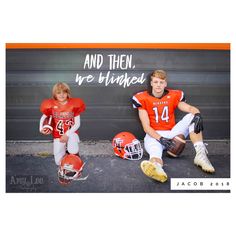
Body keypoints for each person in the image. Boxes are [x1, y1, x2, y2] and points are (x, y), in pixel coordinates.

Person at [131, 70, 215, 183]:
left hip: (172, 133)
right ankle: (157, 170)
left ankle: (201, 156)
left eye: (161, 82)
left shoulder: (174, 95)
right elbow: (146, 127)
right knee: (155, 156)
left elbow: (190, 109)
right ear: (151, 83)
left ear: (165, 83)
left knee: (192, 116)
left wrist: (198, 114)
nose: (158, 85)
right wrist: (160, 138)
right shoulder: (142, 98)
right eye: (155, 82)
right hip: (154, 135)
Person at [39, 82, 86, 166]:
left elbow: (77, 124)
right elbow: (43, 117)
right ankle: (65, 167)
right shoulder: (51, 105)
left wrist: (67, 134)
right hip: (58, 135)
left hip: (71, 133)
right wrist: (41, 128)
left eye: (64, 92)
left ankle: (75, 161)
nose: (62, 95)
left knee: (73, 151)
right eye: (59, 92)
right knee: (58, 162)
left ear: (68, 93)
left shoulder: (74, 104)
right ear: (55, 94)